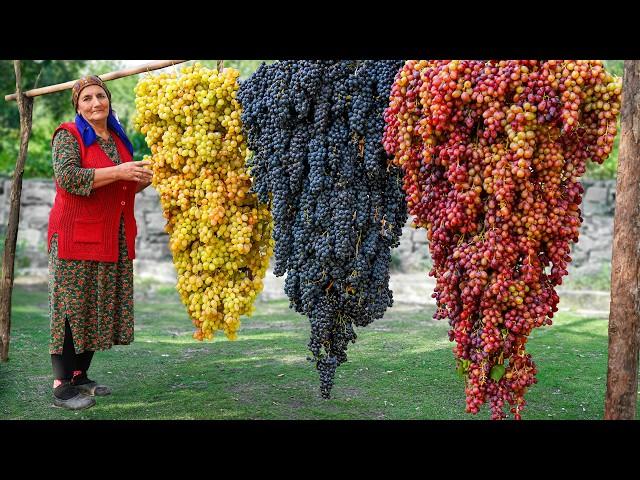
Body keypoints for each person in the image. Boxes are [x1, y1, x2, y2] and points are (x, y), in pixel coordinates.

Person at [47, 75, 153, 410]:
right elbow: (68, 177)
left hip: (112, 235)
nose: (96, 103)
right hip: (76, 235)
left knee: (97, 305)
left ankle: (80, 376)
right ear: (77, 106)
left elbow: (120, 187)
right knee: (72, 307)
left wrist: (141, 179)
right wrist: (121, 172)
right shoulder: (69, 135)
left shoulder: (119, 140)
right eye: (87, 99)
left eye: (100, 96)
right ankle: (62, 385)